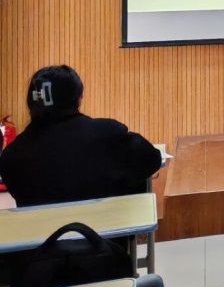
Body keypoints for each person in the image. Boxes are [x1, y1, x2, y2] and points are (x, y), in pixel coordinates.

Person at [0, 65, 162, 206]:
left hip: (43, 234)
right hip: (105, 232)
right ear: (78, 98)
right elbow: (152, 160)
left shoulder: (10, 157)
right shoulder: (109, 134)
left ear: (31, 102)